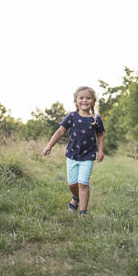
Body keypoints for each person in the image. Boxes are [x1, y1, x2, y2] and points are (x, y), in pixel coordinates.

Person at [42, 86, 105, 216]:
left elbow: (100, 135)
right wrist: (49, 145)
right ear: (76, 101)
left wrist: (101, 150)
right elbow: (60, 131)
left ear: (93, 101)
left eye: (88, 98)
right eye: (81, 98)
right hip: (72, 155)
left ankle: (83, 212)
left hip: (88, 156)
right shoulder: (72, 116)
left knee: (83, 183)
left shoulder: (96, 118)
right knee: (72, 185)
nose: (85, 101)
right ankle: (75, 198)